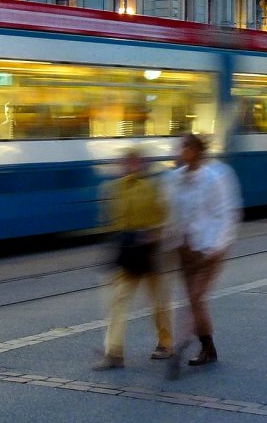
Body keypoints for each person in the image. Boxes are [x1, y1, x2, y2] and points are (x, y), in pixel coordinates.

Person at [165, 133, 241, 377]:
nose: (179, 152)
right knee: (195, 301)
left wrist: (219, 245)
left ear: (197, 151)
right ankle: (209, 348)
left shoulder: (217, 176)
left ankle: (180, 346)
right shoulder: (176, 178)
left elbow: (228, 214)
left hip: (210, 248)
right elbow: (171, 212)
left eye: (184, 147)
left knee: (196, 297)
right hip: (186, 248)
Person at [94, 146, 173, 370]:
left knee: (158, 302)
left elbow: (167, 216)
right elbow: (110, 220)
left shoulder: (155, 187)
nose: (130, 166)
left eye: (135, 162)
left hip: (151, 253)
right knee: (118, 301)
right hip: (128, 252)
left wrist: (154, 234)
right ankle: (114, 353)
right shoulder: (112, 188)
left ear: (143, 164)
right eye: (126, 162)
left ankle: (166, 343)